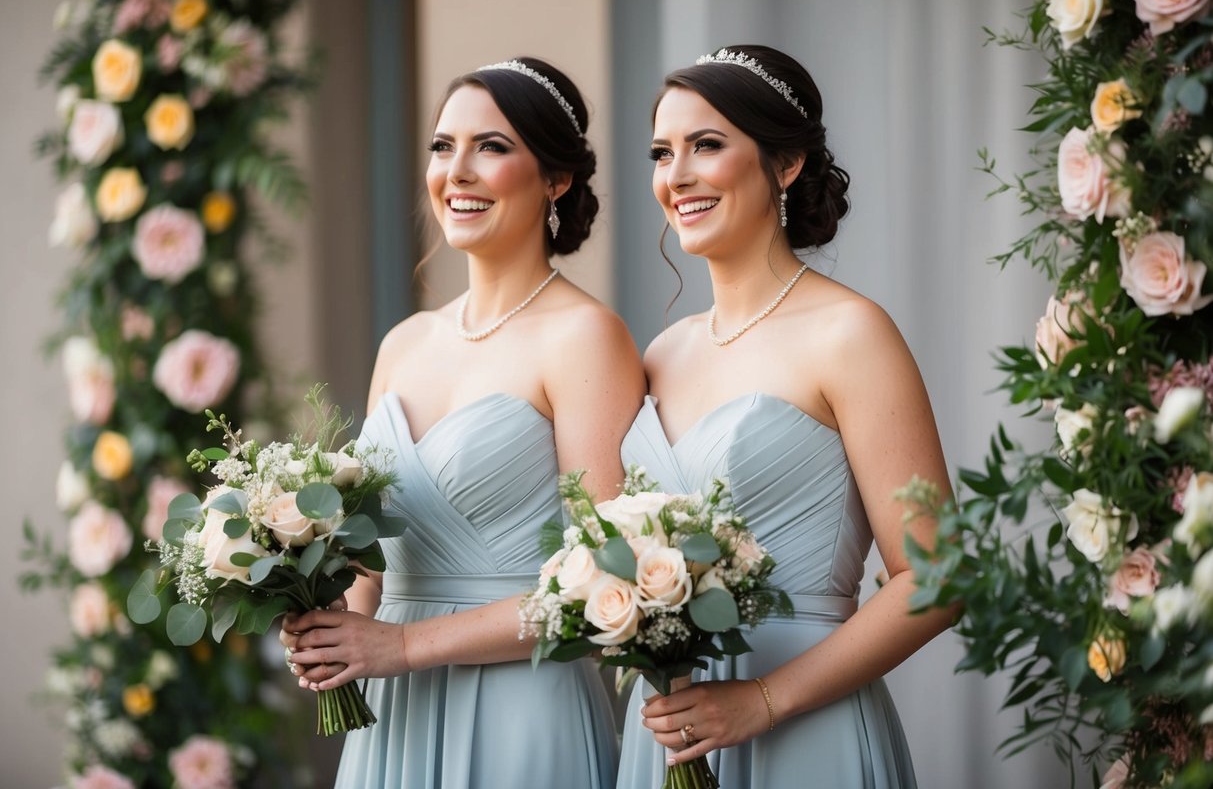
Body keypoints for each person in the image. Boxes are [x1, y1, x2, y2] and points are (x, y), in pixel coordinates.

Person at [280, 57, 644, 789]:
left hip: (522, 707)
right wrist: (329, 628)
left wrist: (402, 646)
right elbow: (369, 563)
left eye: (493, 147)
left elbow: (605, 580)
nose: (458, 171)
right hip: (393, 714)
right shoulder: (404, 343)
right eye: (443, 147)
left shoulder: (584, 338)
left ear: (556, 179)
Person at [615, 45, 955, 788]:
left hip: (808, 727)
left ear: (787, 163)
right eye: (660, 152)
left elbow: (936, 578)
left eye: (706, 145)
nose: (675, 177)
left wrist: (764, 701)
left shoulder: (850, 334)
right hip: (672, 732)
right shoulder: (661, 353)